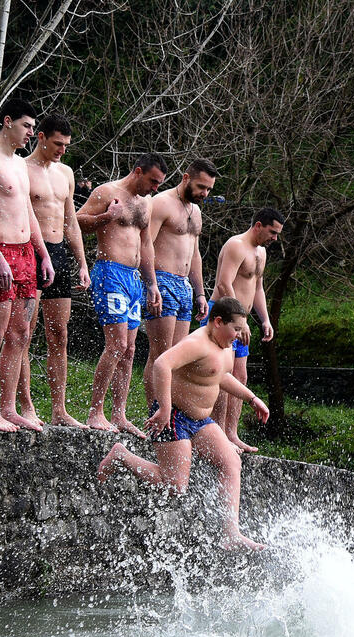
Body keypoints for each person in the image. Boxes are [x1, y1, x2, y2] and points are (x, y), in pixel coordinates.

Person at [97, 297, 270, 551]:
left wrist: (252, 398)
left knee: (231, 461)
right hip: (174, 415)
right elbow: (162, 364)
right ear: (218, 322)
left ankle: (230, 534)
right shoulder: (197, 342)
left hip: (200, 421)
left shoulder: (223, 346)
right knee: (176, 486)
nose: (237, 336)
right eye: (235, 330)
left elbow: (220, 376)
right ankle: (121, 455)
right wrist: (165, 408)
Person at [0, 97, 54, 432]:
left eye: (33, 127)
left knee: (20, 334)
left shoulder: (19, 164)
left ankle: (8, 407)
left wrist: (43, 253)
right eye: (27, 126)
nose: (32, 133)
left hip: (25, 253)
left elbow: (27, 212)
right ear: (7, 122)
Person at [76, 153, 168, 435]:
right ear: (138, 171)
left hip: (133, 279)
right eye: (153, 181)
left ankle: (119, 414)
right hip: (109, 272)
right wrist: (106, 217)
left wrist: (152, 283)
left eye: (159, 184)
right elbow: (77, 221)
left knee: (129, 350)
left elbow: (146, 243)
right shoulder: (107, 191)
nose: (155, 188)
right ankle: (95, 412)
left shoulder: (146, 203)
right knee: (115, 345)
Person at [19, 113, 91, 428]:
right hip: (31, 252)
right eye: (57, 143)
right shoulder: (22, 169)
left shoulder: (65, 172)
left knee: (58, 335)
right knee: (23, 332)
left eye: (66, 145)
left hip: (59, 253)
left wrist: (82, 262)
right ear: (41, 138)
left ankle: (59, 409)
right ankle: (26, 405)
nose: (62, 150)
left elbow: (70, 220)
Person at [204, 208, 284, 453]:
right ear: (258, 225)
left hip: (243, 320)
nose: (275, 238)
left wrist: (265, 319)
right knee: (222, 374)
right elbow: (223, 283)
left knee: (241, 377)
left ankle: (231, 433)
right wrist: (239, 321)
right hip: (224, 317)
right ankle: (217, 431)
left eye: (278, 234)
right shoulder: (235, 245)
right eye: (272, 232)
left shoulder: (260, 252)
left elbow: (257, 288)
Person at [142, 158, 218, 404]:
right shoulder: (161, 203)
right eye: (200, 187)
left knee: (179, 359)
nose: (204, 193)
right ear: (186, 178)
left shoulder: (196, 211)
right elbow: (146, 246)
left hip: (184, 285)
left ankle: (170, 414)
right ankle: (155, 413)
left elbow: (194, 254)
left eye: (208, 189)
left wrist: (200, 293)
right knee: (160, 355)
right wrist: (151, 284)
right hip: (162, 280)